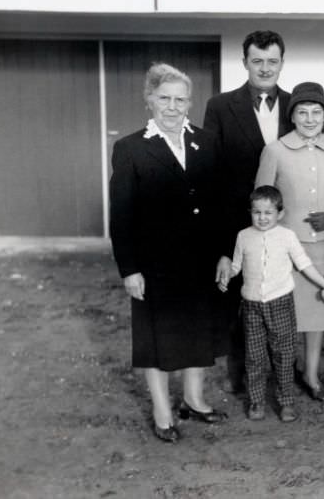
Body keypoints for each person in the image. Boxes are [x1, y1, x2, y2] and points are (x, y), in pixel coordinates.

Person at [109, 62, 228, 443]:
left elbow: (220, 205)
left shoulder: (207, 142)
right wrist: (130, 269)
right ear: (150, 100)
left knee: (197, 332)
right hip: (155, 265)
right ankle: (162, 412)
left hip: (200, 261)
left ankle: (193, 399)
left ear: (190, 102)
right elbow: (122, 213)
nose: (173, 106)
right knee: (155, 339)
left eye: (180, 99)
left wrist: (225, 252)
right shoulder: (130, 148)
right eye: (164, 98)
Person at [203, 30, 292, 395]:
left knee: (282, 296)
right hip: (237, 217)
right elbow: (210, 168)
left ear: (282, 63)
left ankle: (285, 374)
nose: (265, 68)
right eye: (257, 61)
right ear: (245, 63)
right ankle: (240, 373)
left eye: (272, 61)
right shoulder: (221, 106)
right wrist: (223, 236)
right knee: (241, 297)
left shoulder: (296, 105)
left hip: (284, 219)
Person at [255, 82, 324, 401]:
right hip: (285, 249)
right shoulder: (275, 150)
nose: (309, 119)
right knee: (285, 316)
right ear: (292, 116)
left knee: (318, 315)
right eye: (302, 112)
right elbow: (262, 199)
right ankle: (285, 370)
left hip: (323, 247)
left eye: (316, 112)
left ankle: (310, 374)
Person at [219, 186, 324, 423]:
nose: (262, 218)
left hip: (280, 304)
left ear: (280, 214)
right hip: (252, 305)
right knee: (254, 356)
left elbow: (305, 265)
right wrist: (226, 274)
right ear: (250, 213)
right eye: (257, 212)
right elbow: (235, 266)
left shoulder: (287, 236)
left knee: (284, 354)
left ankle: (286, 401)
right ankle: (257, 401)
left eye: (268, 212)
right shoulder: (243, 236)